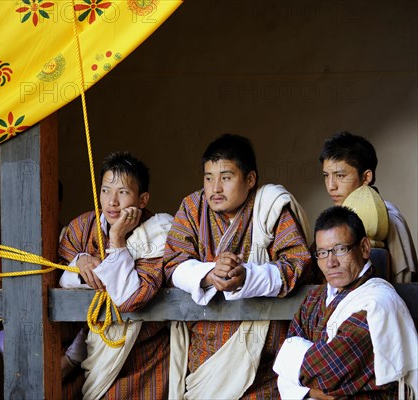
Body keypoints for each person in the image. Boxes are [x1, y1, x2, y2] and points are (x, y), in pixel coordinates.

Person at [163, 134, 312, 399]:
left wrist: (247, 276)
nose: (215, 188)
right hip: (208, 350)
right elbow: (173, 262)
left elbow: (297, 263)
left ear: (250, 179)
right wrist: (209, 274)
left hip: (264, 353)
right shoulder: (192, 207)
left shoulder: (271, 206)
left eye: (226, 177)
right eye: (208, 178)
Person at [58, 151, 173, 399]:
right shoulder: (83, 227)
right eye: (106, 190)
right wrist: (81, 262)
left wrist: (117, 239)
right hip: (92, 350)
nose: (112, 201)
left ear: (142, 199)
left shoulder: (158, 232)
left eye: (122, 192)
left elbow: (130, 299)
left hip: (146, 356)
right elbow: (56, 270)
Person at [273, 206, 418, 399]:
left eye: (340, 249)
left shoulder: (377, 303)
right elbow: (283, 363)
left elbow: (327, 372)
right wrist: (314, 390)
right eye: (322, 253)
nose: (330, 262)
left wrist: (297, 373)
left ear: (365, 248)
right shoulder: (315, 298)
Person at [320, 131, 417, 282]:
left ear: (366, 177)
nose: (331, 186)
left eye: (340, 176)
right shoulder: (337, 219)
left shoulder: (388, 217)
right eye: (326, 176)